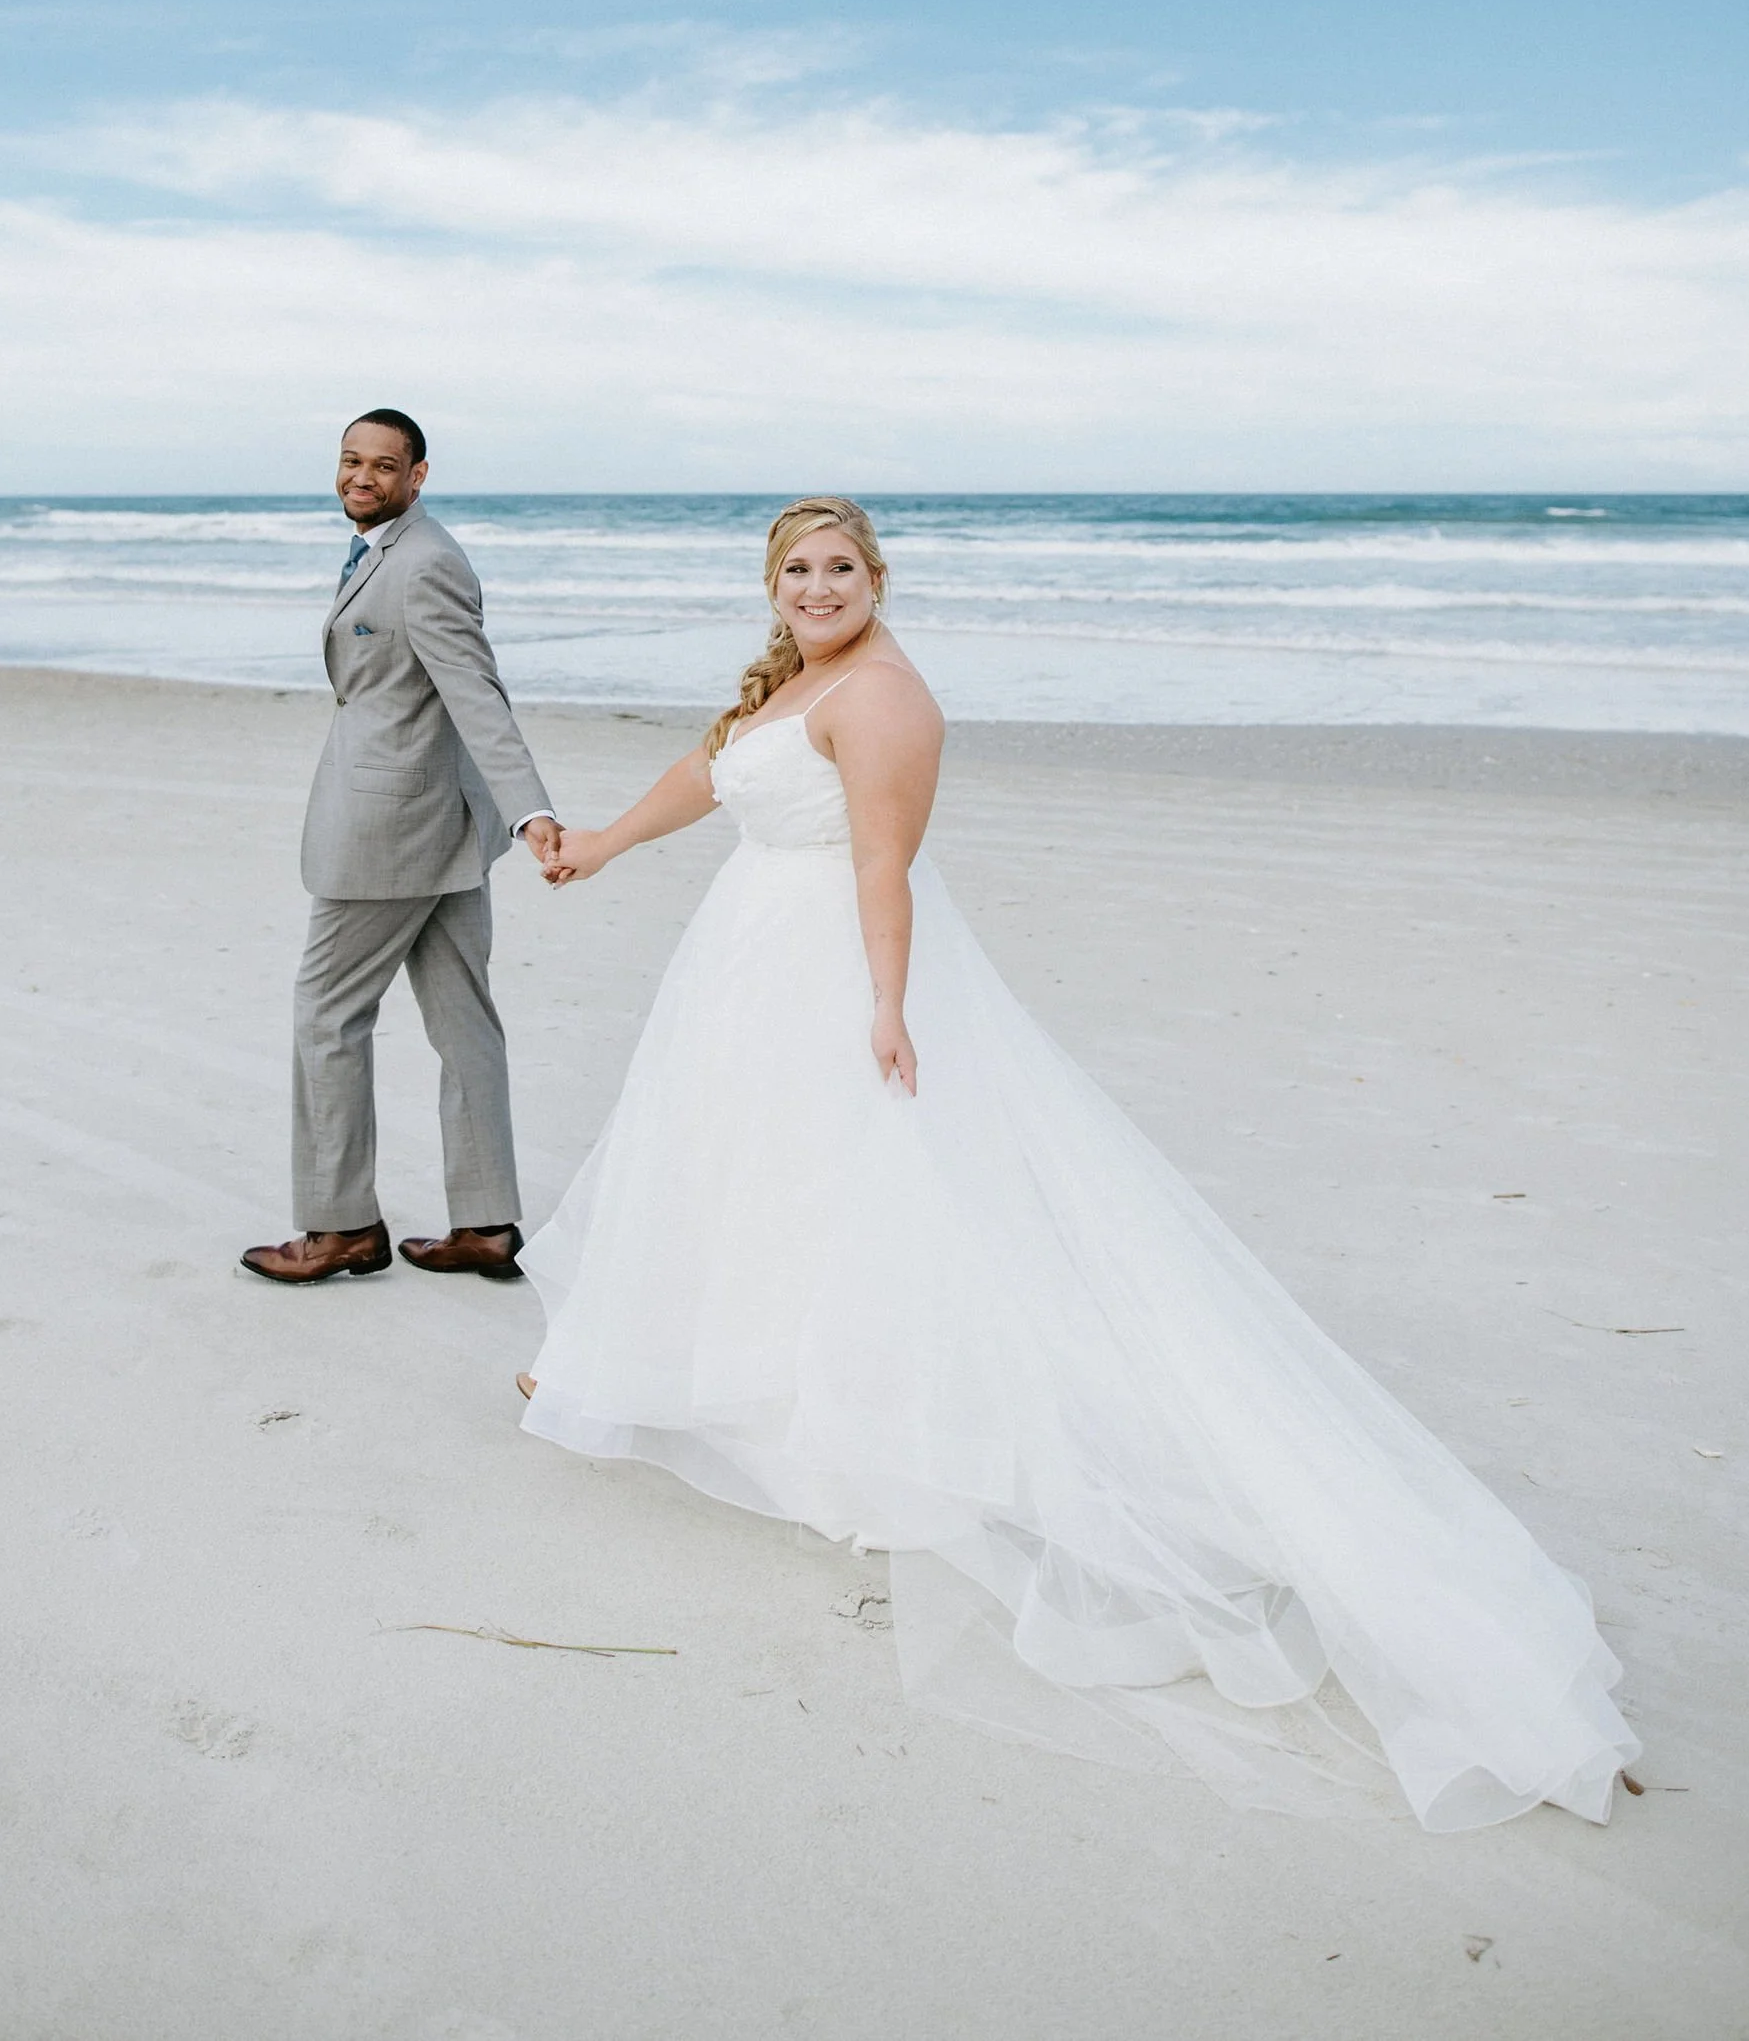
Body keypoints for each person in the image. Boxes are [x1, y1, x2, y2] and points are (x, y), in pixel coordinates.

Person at [516, 497, 1637, 1832]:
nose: (819, 586)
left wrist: (885, 1002)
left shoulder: (882, 698)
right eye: (797, 569)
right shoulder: (798, 682)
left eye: (841, 567)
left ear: (879, 577)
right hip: (745, 959)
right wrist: (594, 840)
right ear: (774, 587)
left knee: (858, 1191)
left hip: (825, 965)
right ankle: (719, 1377)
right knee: (747, 1176)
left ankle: (845, 1421)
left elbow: (887, 862)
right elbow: (709, 777)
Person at [241, 410, 561, 1286]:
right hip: (443, 822)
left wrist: (532, 811)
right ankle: (486, 1226)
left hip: (391, 829)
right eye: (351, 461)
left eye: (384, 466)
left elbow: (477, 694)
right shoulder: (387, 548)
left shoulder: (425, 563)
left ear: (419, 475)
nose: (362, 477)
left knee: (327, 1015)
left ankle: (340, 1226)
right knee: (464, 1021)